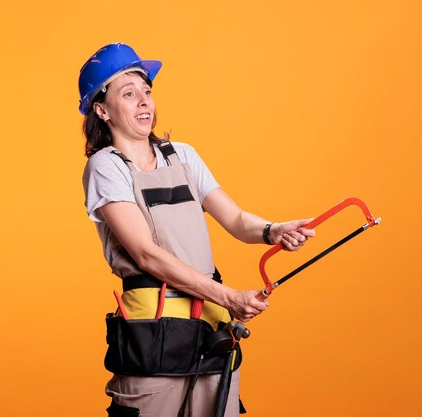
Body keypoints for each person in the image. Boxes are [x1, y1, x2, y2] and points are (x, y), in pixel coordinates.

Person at [79, 43, 315, 417]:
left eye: (146, 91)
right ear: (102, 109)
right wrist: (228, 296)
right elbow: (145, 254)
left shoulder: (182, 154)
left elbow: (236, 220)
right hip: (153, 335)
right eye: (128, 93)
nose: (143, 101)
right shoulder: (106, 167)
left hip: (210, 327)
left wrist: (273, 230)